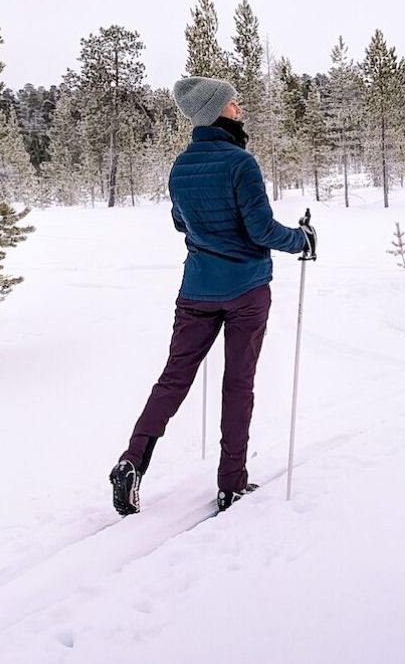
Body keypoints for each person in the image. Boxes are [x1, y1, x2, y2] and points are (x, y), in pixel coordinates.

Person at [109, 76, 318, 516]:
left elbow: (181, 225)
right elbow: (261, 230)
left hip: (197, 290)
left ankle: (132, 460)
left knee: (174, 377)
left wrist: (210, 237)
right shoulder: (242, 163)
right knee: (237, 383)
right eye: (233, 102)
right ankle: (231, 484)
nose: (239, 108)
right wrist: (302, 239)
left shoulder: (180, 167)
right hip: (245, 289)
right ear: (216, 111)